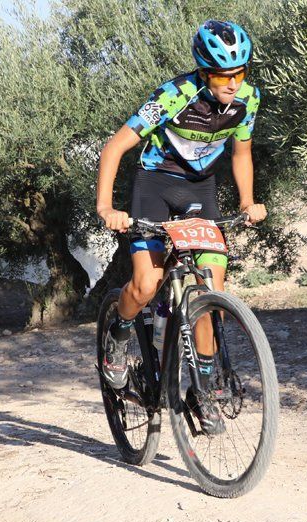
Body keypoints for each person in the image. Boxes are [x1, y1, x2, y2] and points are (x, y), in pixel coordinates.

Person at [95, 20, 267, 433]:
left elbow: (241, 153)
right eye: (225, 75)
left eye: (240, 73)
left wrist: (246, 201)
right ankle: (118, 337)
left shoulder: (248, 99)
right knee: (147, 285)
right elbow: (115, 146)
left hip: (200, 188)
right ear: (205, 72)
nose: (233, 83)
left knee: (212, 291)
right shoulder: (173, 95)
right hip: (154, 184)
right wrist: (106, 207)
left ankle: (204, 391)